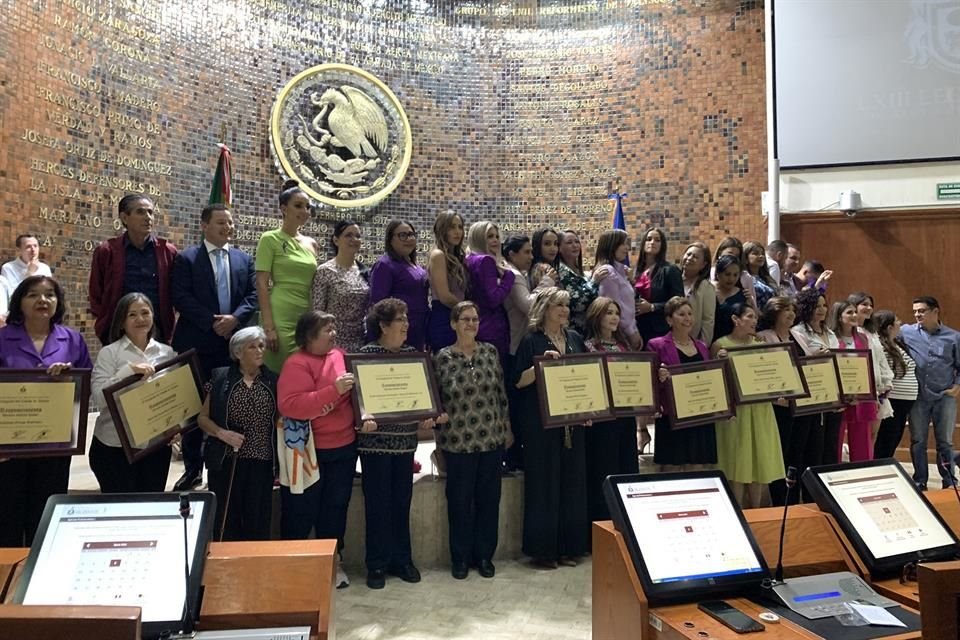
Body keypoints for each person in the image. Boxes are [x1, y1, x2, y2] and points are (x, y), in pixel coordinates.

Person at [171, 203, 258, 491]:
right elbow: (180, 296)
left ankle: (223, 465)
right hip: (197, 344)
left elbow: (253, 295)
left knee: (228, 405)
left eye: (230, 223)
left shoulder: (243, 259)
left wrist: (234, 319)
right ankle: (193, 469)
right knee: (194, 408)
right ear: (204, 225)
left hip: (231, 346)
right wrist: (212, 322)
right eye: (221, 222)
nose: (227, 227)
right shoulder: (187, 258)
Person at [0, 276, 92, 546]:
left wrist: (69, 379)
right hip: (9, 448)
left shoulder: (72, 340)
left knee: (47, 517)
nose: (42, 300)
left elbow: (85, 388)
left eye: (49, 295)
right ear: (20, 301)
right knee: (7, 517)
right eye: (33, 295)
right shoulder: (3, 338)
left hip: (54, 445)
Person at [357, 299, 440, 588]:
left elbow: (421, 401)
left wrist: (425, 418)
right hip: (374, 445)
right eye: (399, 319)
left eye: (407, 318)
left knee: (402, 503)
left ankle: (402, 560)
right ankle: (376, 565)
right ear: (382, 325)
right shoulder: (365, 356)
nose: (406, 324)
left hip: (405, 443)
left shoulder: (411, 356)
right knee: (378, 505)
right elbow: (360, 401)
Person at [277, 311, 358, 589]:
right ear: (309, 335)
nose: (333, 333)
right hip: (310, 454)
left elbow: (352, 396)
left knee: (336, 510)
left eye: (334, 327)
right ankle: (294, 569)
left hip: (344, 448)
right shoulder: (296, 364)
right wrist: (332, 393)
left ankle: (334, 565)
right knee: (301, 511)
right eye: (327, 329)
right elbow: (290, 405)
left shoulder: (340, 355)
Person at [433, 302, 512, 579]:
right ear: (453, 323)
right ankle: (460, 558)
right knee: (459, 502)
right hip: (457, 442)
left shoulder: (490, 352)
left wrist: (507, 427)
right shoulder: (441, 358)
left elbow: (500, 393)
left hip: (491, 439)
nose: (471, 324)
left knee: (489, 501)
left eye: (475, 319)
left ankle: (484, 556)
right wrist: (437, 441)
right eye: (465, 319)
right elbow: (436, 401)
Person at [512, 287, 588, 568]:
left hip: (572, 422)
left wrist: (589, 409)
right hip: (540, 424)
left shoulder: (576, 339)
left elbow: (584, 377)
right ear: (544, 308)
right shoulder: (531, 341)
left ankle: (569, 548)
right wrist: (540, 366)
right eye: (559, 305)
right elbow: (518, 381)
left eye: (567, 306)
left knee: (571, 483)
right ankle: (544, 551)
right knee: (544, 485)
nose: (565, 311)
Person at [90, 293, 177, 492]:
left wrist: (175, 425)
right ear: (121, 321)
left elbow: (174, 397)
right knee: (119, 511)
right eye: (132, 314)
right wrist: (128, 372)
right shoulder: (109, 353)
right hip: (115, 446)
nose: (140, 319)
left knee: (150, 509)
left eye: (145, 312)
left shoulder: (167, 353)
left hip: (155, 448)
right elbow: (99, 399)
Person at [197, 327, 278, 542]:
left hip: (262, 460)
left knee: (257, 517)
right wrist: (221, 433)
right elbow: (202, 418)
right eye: (252, 346)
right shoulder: (220, 378)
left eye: (261, 345)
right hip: (227, 460)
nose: (259, 350)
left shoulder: (273, 381)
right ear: (238, 352)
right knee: (227, 518)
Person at [711, 303, 784, 508]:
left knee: (759, 460)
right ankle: (738, 510)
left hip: (760, 409)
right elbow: (713, 380)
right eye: (750, 316)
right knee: (738, 461)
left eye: (755, 318)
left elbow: (771, 373)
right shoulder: (721, 345)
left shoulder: (759, 343)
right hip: (736, 411)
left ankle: (757, 510)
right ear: (736, 319)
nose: (754, 321)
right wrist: (719, 361)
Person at [89, 194, 177, 345]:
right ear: (124, 217)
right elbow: (96, 292)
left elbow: (175, 291)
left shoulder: (167, 252)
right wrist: (105, 320)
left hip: (158, 332)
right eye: (140, 212)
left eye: (150, 212)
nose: (148, 217)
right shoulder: (107, 251)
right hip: (117, 331)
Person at [583, 297, 640, 521]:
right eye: (609, 312)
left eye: (617, 312)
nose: (615, 317)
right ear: (597, 316)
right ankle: (602, 524)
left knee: (626, 467)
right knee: (603, 469)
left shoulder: (624, 345)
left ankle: (626, 523)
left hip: (625, 415)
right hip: (602, 418)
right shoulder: (587, 346)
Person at [502, 235, 554, 472]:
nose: (531, 256)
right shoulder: (512, 276)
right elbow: (529, 306)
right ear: (511, 254)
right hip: (514, 346)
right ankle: (514, 458)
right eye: (526, 252)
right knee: (516, 405)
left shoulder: (520, 274)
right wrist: (546, 283)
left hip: (520, 343)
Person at [646, 297, 717, 470]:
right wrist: (658, 376)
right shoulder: (656, 345)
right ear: (669, 319)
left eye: (690, 314)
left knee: (698, 468)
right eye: (682, 314)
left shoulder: (701, 346)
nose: (688, 318)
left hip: (700, 415)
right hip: (672, 416)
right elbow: (648, 382)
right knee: (672, 470)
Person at [256, 181, 319, 373]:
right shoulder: (270, 238)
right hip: (280, 315)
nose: (305, 211)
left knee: (304, 371)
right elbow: (261, 283)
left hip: (305, 315)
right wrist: (269, 327)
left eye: (308, 207)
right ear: (284, 208)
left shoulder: (312, 243)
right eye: (298, 206)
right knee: (281, 370)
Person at [900, 296, 960, 490]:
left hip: (945, 397)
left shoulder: (953, 337)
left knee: (945, 442)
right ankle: (920, 480)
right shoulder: (906, 332)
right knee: (918, 440)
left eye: (922, 311)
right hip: (918, 397)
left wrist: (957, 385)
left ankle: (949, 480)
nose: (917, 314)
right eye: (915, 311)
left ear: (935, 312)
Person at [789, 289, 840, 473]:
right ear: (806, 307)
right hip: (810, 397)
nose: (821, 309)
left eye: (824, 305)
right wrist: (814, 357)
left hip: (832, 394)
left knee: (828, 446)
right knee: (809, 447)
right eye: (816, 306)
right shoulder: (798, 331)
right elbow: (797, 361)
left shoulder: (830, 332)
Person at [828, 300, 877, 463]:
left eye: (855, 312)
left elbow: (867, 365)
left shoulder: (863, 337)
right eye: (849, 313)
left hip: (860, 393)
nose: (855, 315)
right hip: (839, 395)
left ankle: (862, 471)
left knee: (862, 436)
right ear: (838, 316)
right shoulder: (830, 336)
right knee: (836, 436)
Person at [368, 221, 429, 351]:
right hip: (395, 334)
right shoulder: (384, 265)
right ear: (390, 240)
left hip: (418, 330)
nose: (408, 239)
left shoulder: (414, 266)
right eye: (402, 235)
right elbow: (378, 304)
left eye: (411, 234)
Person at [312, 220, 370, 353]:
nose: (354, 239)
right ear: (336, 240)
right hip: (333, 342)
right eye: (348, 235)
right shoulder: (325, 271)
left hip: (361, 341)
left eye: (357, 236)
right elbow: (318, 312)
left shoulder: (365, 271)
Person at [464, 221, 515, 359]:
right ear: (479, 238)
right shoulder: (486, 260)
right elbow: (494, 299)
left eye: (497, 237)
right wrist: (509, 277)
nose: (495, 241)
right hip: (492, 327)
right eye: (490, 236)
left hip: (474, 325)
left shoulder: (468, 259)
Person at [872, 311, 918, 460]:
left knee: (895, 437)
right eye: (897, 320)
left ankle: (885, 463)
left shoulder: (897, 344)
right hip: (893, 399)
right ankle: (879, 467)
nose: (901, 322)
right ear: (889, 326)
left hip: (904, 401)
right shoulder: (881, 347)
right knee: (887, 438)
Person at [592, 230, 642, 349]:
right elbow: (614, 307)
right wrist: (631, 332)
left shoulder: (621, 271)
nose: (627, 248)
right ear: (612, 245)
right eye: (623, 244)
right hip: (619, 333)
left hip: (629, 330)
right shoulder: (608, 272)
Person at [634, 227, 683, 346]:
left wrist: (652, 307)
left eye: (657, 240)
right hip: (637, 328)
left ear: (662, 245)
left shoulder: (670, 270)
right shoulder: (636, 271)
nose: (652, 242)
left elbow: (679, 302)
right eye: (649, 239)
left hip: (660, 330)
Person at [426, 211, 468, 352]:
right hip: (444, 317)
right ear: (442, 230)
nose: (457, 232)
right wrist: (468, 309)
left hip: (458, 316)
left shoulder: (457, 257)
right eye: (452, 227)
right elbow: (444, 295)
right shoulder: (438, 255)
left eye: (460, 227)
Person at [556, 229, 597, 335]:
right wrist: (595, 282)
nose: (575, 245)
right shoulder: (560, 271)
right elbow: (578, 302)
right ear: (559, 248)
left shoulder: (580, 270)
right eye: (569, 242)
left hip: (589, 329)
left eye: (577, 241)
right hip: (572, 330)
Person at [681, 241, 715, 345]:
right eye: (688, 254)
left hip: (693, 343)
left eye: (695, 257)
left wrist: (702, 346)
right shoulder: (672, 279)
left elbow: (708, 321)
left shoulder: (706, 287)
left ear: (703, 264)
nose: (690, 258)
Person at [712, 254, 747, 342]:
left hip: (733, 342)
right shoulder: (708, 290)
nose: (731, 279)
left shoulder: (743, 295)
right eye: (727, 274)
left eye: (735, 275)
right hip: (709, 340)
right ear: (718, 273)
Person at [743, 241, 777, 310]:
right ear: (746, 258)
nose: (761, 256)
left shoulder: (767, 278)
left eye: (762, 254)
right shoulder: (744, 278)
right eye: (755, 253)